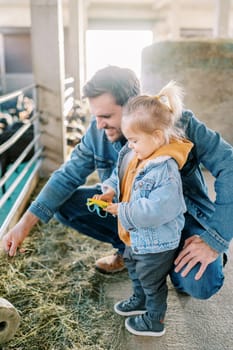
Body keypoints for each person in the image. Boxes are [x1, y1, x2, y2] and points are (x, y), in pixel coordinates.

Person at [1, 66, 233, 300]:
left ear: (131, 105)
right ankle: (130, 250)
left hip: (181, 220)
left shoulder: (178, 122)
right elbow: (67, 175)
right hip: (131, 214)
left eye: (106, 116)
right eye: (95, 116)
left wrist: (214, 239)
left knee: (200, 285)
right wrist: (24, 224)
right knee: (65, 202)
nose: (99, 125)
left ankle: (167, 256)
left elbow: (229, 166)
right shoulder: (97, 132)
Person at [91, 81, 193, 336]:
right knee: (134, 270)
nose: (131, 144)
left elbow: (157, 210)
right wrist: (110, 190)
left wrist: (122, 210)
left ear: (157, 137)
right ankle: (140, 300)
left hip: (156, 242)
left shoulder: (164, 169)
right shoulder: (133, 153)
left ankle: (154, 320)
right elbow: (119, 174)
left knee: (152, 281)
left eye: (135, 140)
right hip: (134, 236)